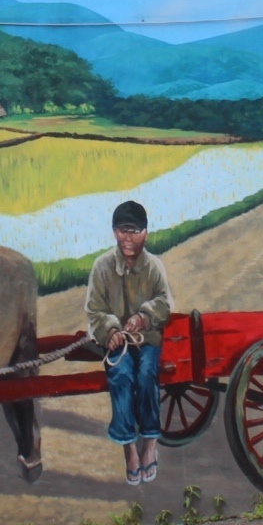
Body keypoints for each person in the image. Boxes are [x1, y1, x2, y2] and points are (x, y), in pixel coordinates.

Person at [85, 199, 173, 485]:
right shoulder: (102, 267)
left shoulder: (153, 266)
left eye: (134, 230)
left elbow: (164, 301)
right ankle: (129, 449)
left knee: (147, 374)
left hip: (147, 339)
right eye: (122, 230)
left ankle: (149, 444)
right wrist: (110, 332)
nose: (128, 237)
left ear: (145, 233)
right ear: (114, 233)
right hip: (117, 345)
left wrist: (143, 317)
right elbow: (94, 309)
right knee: (121, 375)